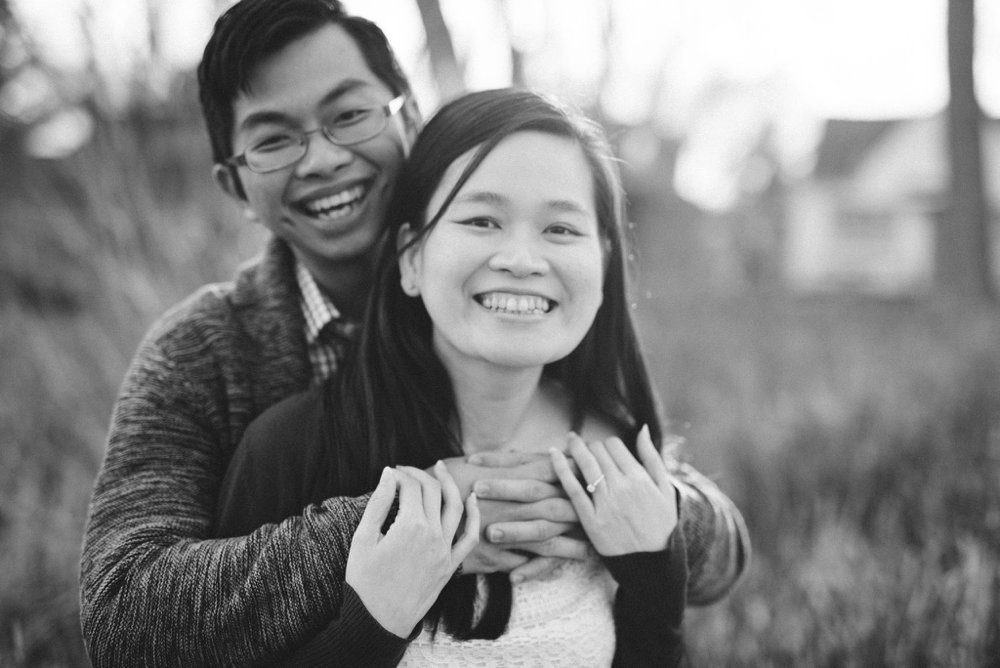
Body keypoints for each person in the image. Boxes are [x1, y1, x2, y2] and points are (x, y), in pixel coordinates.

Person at [79, 0, 749, 665]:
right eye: (273, 140)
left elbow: (711, 554)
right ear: (235, 185)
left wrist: (583, 503)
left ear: (409, 117)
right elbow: (122, 621)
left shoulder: (532, 324)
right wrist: (411, 525)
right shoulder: (205, 353)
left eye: (350, 114)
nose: (321, 159)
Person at [215, 87, 691, 667]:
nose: (521, 258)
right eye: (482, 219)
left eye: (560, 230)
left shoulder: (620, 451)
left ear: (605, 261)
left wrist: (655, 577)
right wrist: (372, 624)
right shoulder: (294, 450)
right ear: (412, 259)